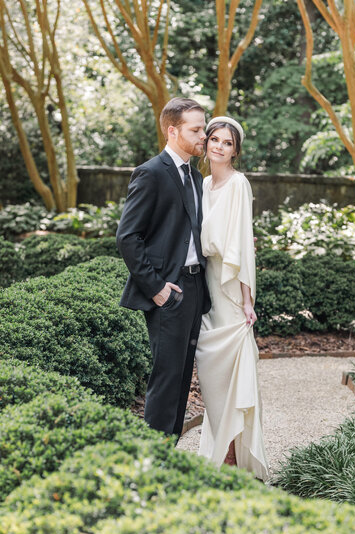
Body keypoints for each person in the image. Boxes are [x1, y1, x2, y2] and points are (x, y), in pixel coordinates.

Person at [116, 97, 210, 438]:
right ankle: (153, 464)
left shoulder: (196, 177)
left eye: (203, 128)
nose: (204, 135)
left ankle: (168, 462)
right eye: (196, 129)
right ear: (173, 131)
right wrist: (156, 288)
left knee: (184, 377)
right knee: (167, 378)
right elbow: (128, 237)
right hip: (169, 291)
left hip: (197, 288)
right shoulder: (151, 172)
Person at [196, 116, 269, 481]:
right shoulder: (202, 183)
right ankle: (219, 449)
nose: (219, 146)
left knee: (231, 371)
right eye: (214, 139)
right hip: (204, 283)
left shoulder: (239, 184)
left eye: (227, 143)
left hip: (228, 284)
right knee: (211, 372)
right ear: (206, 143)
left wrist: (246, 300)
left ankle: (232, 458)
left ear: (235, 150)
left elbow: (242, 242)